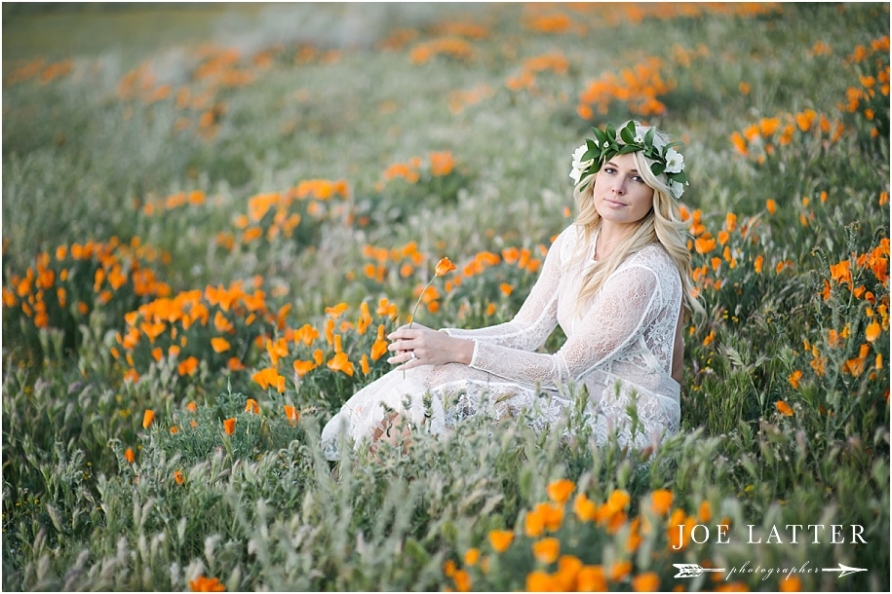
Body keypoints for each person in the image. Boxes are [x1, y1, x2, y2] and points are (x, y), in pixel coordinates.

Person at [321, 120, 700, 460]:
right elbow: (526, 330)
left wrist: (457, 350)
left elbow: (561, 369)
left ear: (656, 192)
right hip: (580, 393)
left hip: (627, 422)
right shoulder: (577, 241)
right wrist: (443, 341)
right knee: (430, 374)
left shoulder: (644, 271)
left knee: (459, 385)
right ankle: (361, 469)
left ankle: (383, 477)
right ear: (593, 176)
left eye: (636, 178)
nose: (618, 187)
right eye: (611, 170)